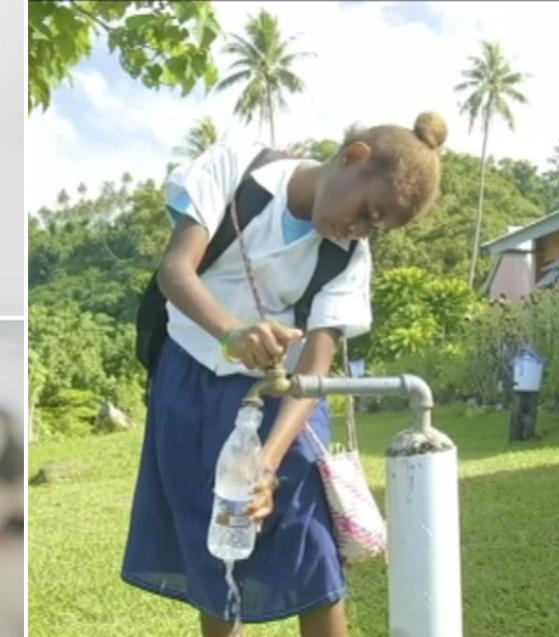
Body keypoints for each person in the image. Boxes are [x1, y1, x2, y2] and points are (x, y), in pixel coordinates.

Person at [121, 113, 447, 637]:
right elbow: (175, 271)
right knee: (214, 538)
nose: (359, 229)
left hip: (284, 397)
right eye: (366, 211)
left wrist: (267, 464)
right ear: (354, 157)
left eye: (375, 227)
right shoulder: (236, 168)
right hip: (188, 375)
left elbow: (315, 369)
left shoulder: (348, 259)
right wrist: (233, 333)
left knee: (309, 546)